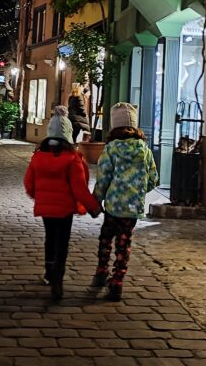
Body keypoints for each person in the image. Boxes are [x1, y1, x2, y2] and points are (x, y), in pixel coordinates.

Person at [24, 106, 100, 302]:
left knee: (50, 238)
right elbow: (79, 188)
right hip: (65, 209)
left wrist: (38, 196)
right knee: (62, 242)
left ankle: (49, 272)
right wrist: (93, 207)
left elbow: (28, 182)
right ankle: (58, 277)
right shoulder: (72, 159)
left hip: (47, 208)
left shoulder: (38, 156)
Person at [92, 102, 159, 302]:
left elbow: (103, 177)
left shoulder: (111, 148)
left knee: (106, 239)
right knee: (124, 243)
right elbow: (153, 178)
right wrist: (138, 191)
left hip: (113, 205)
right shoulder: (144, 149)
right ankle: (117, 281)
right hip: (132, 208)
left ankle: (101, 271)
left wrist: (96, 200)